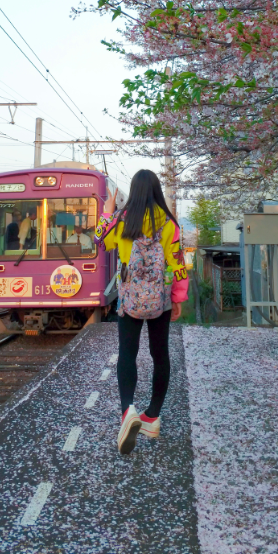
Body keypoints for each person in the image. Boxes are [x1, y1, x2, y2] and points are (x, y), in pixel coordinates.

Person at [97, 169, 188, 455]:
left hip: (129, 300)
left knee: (128, 352)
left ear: (133, 192)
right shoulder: (170, 224)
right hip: (159, 298)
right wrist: (178, 298)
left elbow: (101, 240)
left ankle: (129, 411)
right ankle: (152, 416)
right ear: (157, 191)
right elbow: (177, 263)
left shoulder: (124, 221)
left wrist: (107, 213)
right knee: (160, 353)